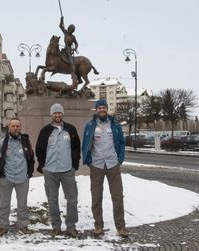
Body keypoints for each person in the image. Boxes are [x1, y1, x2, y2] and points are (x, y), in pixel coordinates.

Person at [82, 99, 129, 238]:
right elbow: (85, 143)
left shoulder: (114, 124)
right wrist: (88, 160)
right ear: (96, 110)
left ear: (107, 109)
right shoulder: (90, 125)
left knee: (117, 196)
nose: (102, 110)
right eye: (99, 108)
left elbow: (121, 142)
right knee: (96, 197)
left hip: (112, 164)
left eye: (104, 107)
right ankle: (98, 225)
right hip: (96, 165)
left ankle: (121, 227)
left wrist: (120, 159)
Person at [35, 103, 81, 238]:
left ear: (62, 114)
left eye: (59, 113)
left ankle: (71, 227)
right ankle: (56, 226)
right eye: (55, 113)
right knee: (52, 200)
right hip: (50, 171)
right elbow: (39, 149)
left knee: (72, 199)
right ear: (51, 115)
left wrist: (74, 165)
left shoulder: (70, 130)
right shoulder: (45, 131)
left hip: (67, 170)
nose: (57, 115)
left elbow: (76, 148)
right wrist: (43, 165)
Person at [0, 118, 35, 236]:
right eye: (13, 126)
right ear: (9, 127)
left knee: (22, 204)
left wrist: (29, 173)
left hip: (22, 177)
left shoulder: (26, 141)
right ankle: (3, 226)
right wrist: (0, 175)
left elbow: (31, 158)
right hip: (7, 177)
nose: (15, 128)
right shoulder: (2, 142)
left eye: (17, 126)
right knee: (4, 204)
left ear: (20, 127)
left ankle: (23, 225)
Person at [59, 16, 79, 85]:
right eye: (70, 29)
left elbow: (76, 44)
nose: (71, 30)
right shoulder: (65, 33)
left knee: (71, 61)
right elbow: (60, 26)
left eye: (72, 30)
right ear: (69, 28)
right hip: (64, 49)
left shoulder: (73, 37)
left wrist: (75, 48)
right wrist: (61, 20)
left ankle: (73, 72)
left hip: (69, 51)